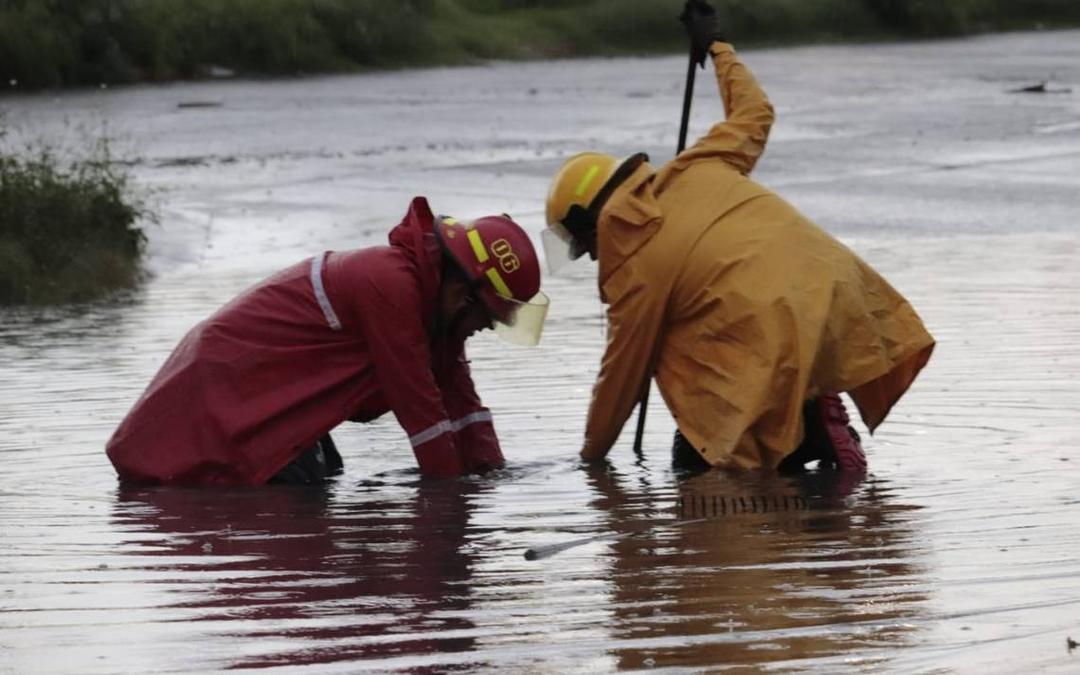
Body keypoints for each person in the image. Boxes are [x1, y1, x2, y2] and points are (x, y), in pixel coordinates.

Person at [542, 0, 934, 473]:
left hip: (771, 337)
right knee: (722, 341)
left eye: (585, 247)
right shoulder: (698, 166)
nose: (591, 258)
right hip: (836, 296)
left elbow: (621, 377)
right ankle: (818, 426)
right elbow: (755, 111)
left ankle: (804, 438)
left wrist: (590, 461)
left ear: (590, 221)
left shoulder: (633, 265)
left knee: (699, 463)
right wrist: (717, 46)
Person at [106, 196, 549, 485]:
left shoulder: (437, 308)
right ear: (461, 289)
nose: (487, 327)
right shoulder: (389, 285)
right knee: (275, 499)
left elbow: (461, 401)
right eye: (487, 315)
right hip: (227, 388)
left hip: (280, 404)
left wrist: (492, 477)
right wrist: (453, 514)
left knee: (322, 479)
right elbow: (422, 413)